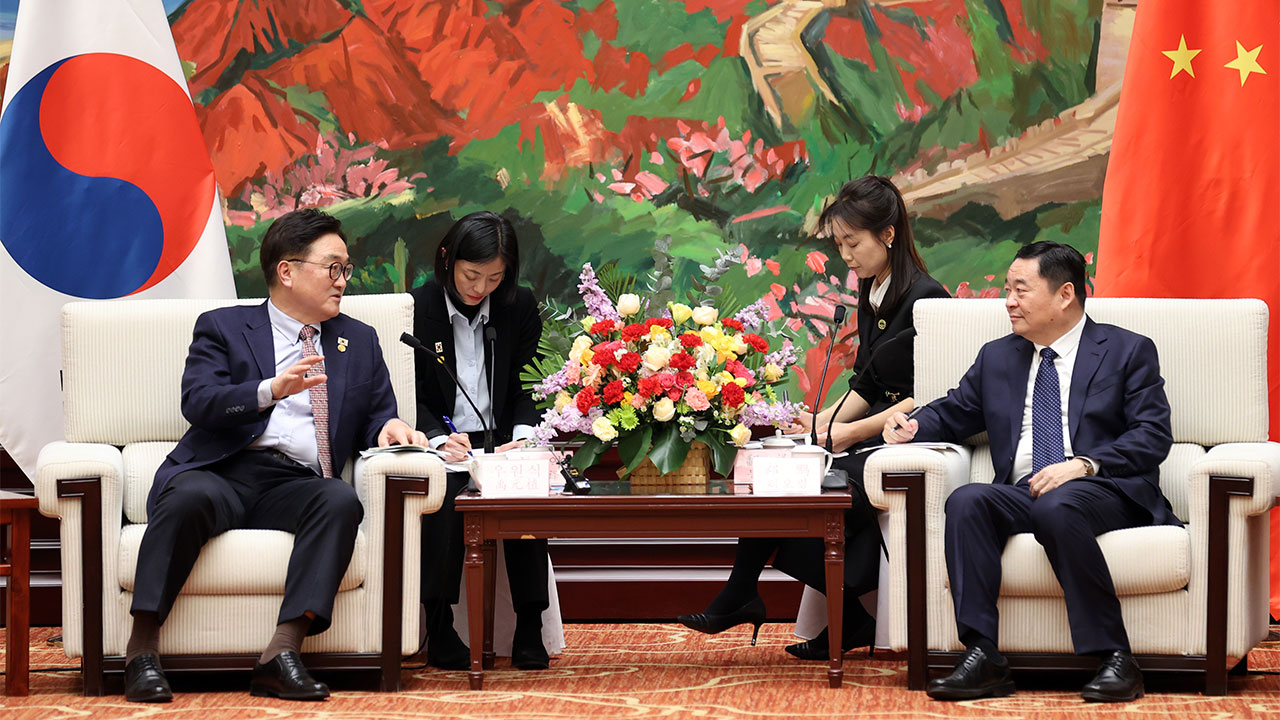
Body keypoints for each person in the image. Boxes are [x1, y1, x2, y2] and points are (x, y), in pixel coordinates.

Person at [124, 209, 427, 703]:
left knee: (339, 501)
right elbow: (198, 400)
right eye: (333, 267)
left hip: (295, 483)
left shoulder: (360, 340)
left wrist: (390, 428)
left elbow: (378, 415)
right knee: (186, 498)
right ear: (287, 271)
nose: (342, 280)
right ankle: (141, 651)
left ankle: (280, 655)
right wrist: (269, 390)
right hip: (224, 469)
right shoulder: (224, 327)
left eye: (345, 269)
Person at [883, 241, 1176, 703]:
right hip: (1027, 489)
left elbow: (1153, 436)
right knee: (968, 500)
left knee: (1058, 505)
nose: (1008, 301)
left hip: (1105, 487)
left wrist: (1083, 465)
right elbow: (958, 411)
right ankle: (984, 656)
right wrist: (914, 425)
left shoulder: (1126, 350)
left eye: (1021, 289)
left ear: (1065, 294)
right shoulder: (999, 356)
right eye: (1007, 289)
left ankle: (1116, 657)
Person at [678, 176, 949, 659]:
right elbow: (866, 383)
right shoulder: (873, 288)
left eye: (853, 242)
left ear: (888, 234)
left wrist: (842, 433)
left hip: (908, 438)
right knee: (778, 474)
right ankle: (794, 603)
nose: (846, 254)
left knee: (812, 491)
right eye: (839, 243)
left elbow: (929, 395)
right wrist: (817, 424)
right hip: (870, 434)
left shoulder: (927, 299)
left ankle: (762, 596)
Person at [409, 210, 551, 670]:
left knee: (524, 488)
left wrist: (525, 439)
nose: (479, 288)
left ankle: (530, 625)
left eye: (494, 278)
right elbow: (409, 393)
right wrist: (435, 438)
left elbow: (527, 383)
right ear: (448, 259)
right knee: (448, 490)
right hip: (448, 442)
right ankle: (440, 622)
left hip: (502, 440)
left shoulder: (518, 307)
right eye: (472, 275)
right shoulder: (417, 309)